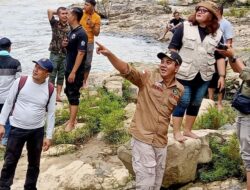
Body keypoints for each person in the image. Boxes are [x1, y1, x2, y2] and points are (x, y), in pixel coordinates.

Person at [96, 42, 184, 190]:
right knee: (146, 182)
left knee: (156, 181)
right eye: (162, 61)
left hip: (161, 141)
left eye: (168, 63)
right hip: (142, 137)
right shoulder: (148, 76)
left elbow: (174, 112)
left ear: (177, 68)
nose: (163, 65)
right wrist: (110, 55)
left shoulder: (179, 89)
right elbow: (127, 70)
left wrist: (177, 132)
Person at [168, 1, 226, 142]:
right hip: (183, 74)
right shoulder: (184, 27)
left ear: (212, 16)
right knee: (183, 101)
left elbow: (220, 57)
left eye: (204, 11)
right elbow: (173, 48)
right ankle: (176, 132)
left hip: (205, 75)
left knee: (196, 102)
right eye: (198, 10)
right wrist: (172, 67)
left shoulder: (218, 34)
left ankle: (187, 130)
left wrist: (222, 76)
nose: (199, 12)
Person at [0, 58, 56, 190]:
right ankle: (3, 187)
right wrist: (1, 124)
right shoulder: (21, 81)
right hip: (17, 129)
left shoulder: (50, 89)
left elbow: (51, 113)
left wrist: (49, 136)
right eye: (35, 66)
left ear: (47, 74)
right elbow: (8, 103)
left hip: (37, 131)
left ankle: (30, 187)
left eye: (40, 68)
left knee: (34, 164)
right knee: (10, 161)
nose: (35, 69)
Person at [63, 7, 88, 132]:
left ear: (75, 16)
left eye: (68, 14)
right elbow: (71, 50)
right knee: (68, 92)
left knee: (73, 95)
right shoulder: (71, 32)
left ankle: (72, 123)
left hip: (75, 70)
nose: (66, 15)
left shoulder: (81, 33)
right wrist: (65, 46)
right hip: (68, 67)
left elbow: (81, 53)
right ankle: (72, 118)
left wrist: (73, 72)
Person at [208, 5, 234, 110]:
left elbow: (229, 41)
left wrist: (225, 51)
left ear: (219, 11)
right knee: (210, 77)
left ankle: (219, 102)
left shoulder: (226, 24)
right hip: (210, 55)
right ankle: (210, 100)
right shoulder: (210, 22)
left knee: (221, 77)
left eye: (214, 10)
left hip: (222, 55)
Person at [0, 37, 22, 146]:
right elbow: (17, 82)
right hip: (8, 97)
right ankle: (5, 140)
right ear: (10, 48)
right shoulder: (16, 63)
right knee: (7, 119)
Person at [47, 7, 70, 102]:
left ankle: (58, 95)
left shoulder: (71, 25)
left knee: (61, 75)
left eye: (66, 13)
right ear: (59, 15)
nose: (65, 15)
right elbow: (49, 11)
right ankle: (50, 94)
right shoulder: (54, 24)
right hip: (55, 53)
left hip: (66, 54)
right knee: (52, 74)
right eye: (62, 14)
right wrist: (58, 12)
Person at [80, 0, 101, 88]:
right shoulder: (81, 13)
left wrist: (92, 25)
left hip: (89, 42)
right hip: (78, 41)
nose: (84, 6)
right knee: (77, 61)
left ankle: (84, 81)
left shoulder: (97, 17)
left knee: (87, 63)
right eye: (84, 4)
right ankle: (77, 80)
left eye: (87, 5)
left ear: (92, 6)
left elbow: (97, 33)